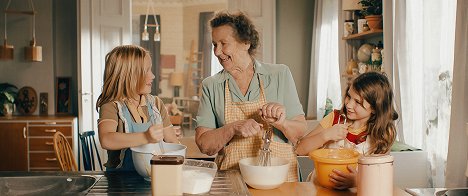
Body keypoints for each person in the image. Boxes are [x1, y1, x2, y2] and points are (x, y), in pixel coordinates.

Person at [195, 11, 307, 181]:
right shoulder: (211, 85)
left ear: (246, 42)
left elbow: (299, 133)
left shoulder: (279, 74)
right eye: (214, 44)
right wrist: (232, 128)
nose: (217, 52)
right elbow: (205, 145)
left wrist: (282, 123)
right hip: (233, 181)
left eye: (224, 43)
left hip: (281, 181)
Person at [295, 71, 398, 189]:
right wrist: (325, 135)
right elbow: (300, 149)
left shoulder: (382, 134)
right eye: (349, 96)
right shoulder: (334, 118)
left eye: (357, 102)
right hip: (319, 189)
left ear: (375, 108)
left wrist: (357, 180)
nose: (348, 104)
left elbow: (380, 176)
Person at [96, 45, 179, 171]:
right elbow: (106, 139)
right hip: (120, 184)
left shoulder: (156, 104)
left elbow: (172, 141)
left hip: (154, 178)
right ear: (128, 75)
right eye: (147, 70)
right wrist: (146, 137)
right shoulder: (112, 106)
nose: (153, 76)